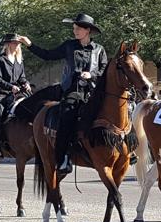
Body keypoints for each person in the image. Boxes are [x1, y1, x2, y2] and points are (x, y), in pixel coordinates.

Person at [19, 13, 107, 175]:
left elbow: (104, 71)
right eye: (74, 29)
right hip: (73, 91)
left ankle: (127, 150)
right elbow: (48, 55)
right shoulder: (69, 46)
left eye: (78, 28)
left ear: (87, 30)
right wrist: (29, 44)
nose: (75, 31)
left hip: (93, 92)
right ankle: (63, 158)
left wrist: (91, 76)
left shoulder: (99, 50)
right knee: (67, 116)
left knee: (121, 109)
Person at [0, 34, 31, 161]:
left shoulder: (19, 61)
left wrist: (25, 83)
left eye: (18, 43)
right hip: (1, 93)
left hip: (17, 93)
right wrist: (10, 87)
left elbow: (22, 76)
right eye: (14, 42)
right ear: (7, 44)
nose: (17, 45)